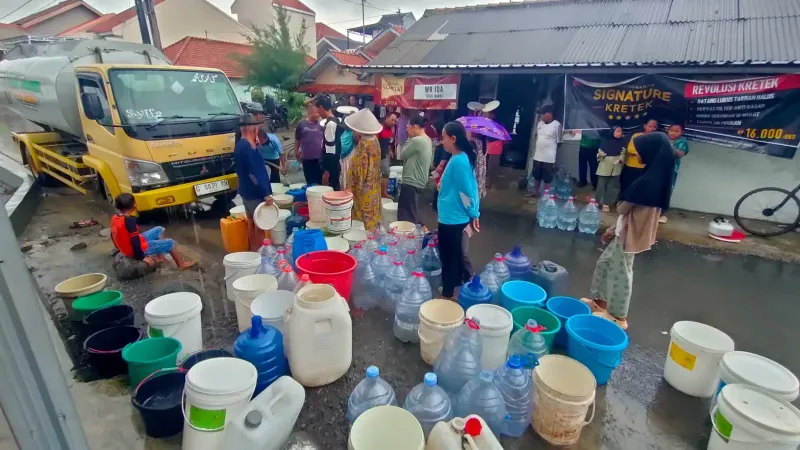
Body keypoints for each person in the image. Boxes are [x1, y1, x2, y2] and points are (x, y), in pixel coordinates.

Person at [582, 132, 675, 329]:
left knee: (621, 274)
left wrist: (619, 213)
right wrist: (612, 229)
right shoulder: (656, 176)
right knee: (605, 263)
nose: (636, 152)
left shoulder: (648, 182)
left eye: (640, 150)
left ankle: (618, 316)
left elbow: (623, 208)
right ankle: (599, 302)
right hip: (623, 230)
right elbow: (627, 215)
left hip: (630, 236)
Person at [437, 121, 480, 299]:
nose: (442, 142)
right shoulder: (458, 158)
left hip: (453, 218)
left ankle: (448, 294)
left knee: (450, 258)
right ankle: (453, 288)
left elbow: (466, 193)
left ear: (453, 139)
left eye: (443, 138)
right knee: (453, 255)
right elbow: (467, 187)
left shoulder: (459, 161)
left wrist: (474, 214)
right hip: (451, 214)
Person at [111, 193, 195, 269]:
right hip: (135, 249)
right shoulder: (129, 221)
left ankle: (160, 257)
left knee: (159, 229)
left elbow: (112, 235)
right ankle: (181, 264)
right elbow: (135, 242)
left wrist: (120, 248)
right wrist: (142, 257)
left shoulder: (115, 217)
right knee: (170, 243)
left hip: (131, 245)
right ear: (133, 206)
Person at [235, 113, 275, 251]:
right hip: (254, 193)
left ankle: (252, 251)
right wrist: (265, 193)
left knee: (252, 223)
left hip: (246, 191)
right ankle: (259, 254)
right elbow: (253, 174)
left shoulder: (241, 144)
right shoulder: (248, 147)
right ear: (254, 129)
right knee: (260, 226)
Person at [345, 108, 384, 231]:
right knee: (372, 218)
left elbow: (358, 172)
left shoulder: (364, 144)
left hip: (363, 191)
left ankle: (363, 245)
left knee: (362, 221)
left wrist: (350, 189)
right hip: (374, 188)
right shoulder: (375, 140)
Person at [397, 114, 433, 223]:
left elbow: (402, 155)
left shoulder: (416, 140)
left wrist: (409, 137)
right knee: (413, 211)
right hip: (419, 181)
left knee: (406, 216)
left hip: (411, 182)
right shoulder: (427, 139)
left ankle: (410, 238)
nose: (408, 130)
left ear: (416, 127)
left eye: (409, 127)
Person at [527, 105, 562, 197]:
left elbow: (559, 142)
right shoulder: (540, 124)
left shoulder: (557, 125)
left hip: (548, 157)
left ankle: (546, 195)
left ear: (550, 114)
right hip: (538, 155)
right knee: (536, 174)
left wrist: (551, 149)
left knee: (547, 177)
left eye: (544, 114)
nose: (542, 116)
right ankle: (535, 191)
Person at [620, 119, 658, 195]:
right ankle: (621, 203)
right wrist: (643, 153)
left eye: (654, 127)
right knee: (626, 186)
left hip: (645, 167)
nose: (652, 129)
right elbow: (630, 149)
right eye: (650, 126)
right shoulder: (637, 136)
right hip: (631, 165)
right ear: (645, 126)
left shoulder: (656, 138)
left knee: (639, 188)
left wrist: (640, 153)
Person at [660, 123, 690, 223]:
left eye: (676, 131)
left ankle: (662, 214)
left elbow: (681, 154)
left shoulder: (682, 141)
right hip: (657, 168)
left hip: (671, 170)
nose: (673, 133)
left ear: (682, 132)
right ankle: (652, 211)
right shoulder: (662, 138)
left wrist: (670, 147)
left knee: (667, 190)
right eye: (671, 130)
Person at [595, 126, 628, 212]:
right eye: (617, 131)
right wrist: (601, 155)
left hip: (616, 167)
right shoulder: (605, 141)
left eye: (621, 132)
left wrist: (620, 159)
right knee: (601, 185)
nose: (619, 134)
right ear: (612, 132)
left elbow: (623, 153)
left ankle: (607, 203)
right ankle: (597, 201)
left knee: (612, 186)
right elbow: (599, 152)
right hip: (604, 166)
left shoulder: (622, 142)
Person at [315, 95, 343, 191]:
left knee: (332, 190)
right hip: (334, 164)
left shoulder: (330, 124)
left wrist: (327, 171)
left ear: (321, 108)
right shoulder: (335, 120)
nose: (318, 113)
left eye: (318, 110)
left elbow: (330, 150)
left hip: (332, 165)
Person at [295, 103, 324, 185]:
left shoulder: (322, 124)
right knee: (310, 182)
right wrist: (296, 152)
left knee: (320, 182)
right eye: (316, 112)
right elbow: (297, 140)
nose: (318, 114)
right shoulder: (301, 124)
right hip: (307, 159)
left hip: (319, 159)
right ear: (310, 112)